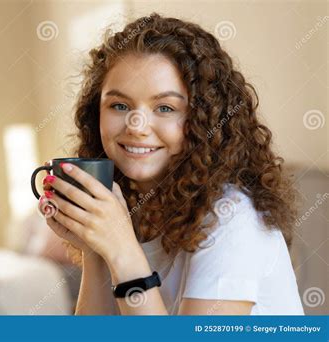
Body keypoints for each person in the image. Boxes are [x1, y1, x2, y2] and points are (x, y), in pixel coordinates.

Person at [38, 13, 304, 315]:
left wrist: (122, 249)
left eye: (165, 107)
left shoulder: (232, 217)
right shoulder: (131, 208)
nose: (136, 125)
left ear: (204, 120)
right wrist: (94, 249)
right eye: (119, 105)